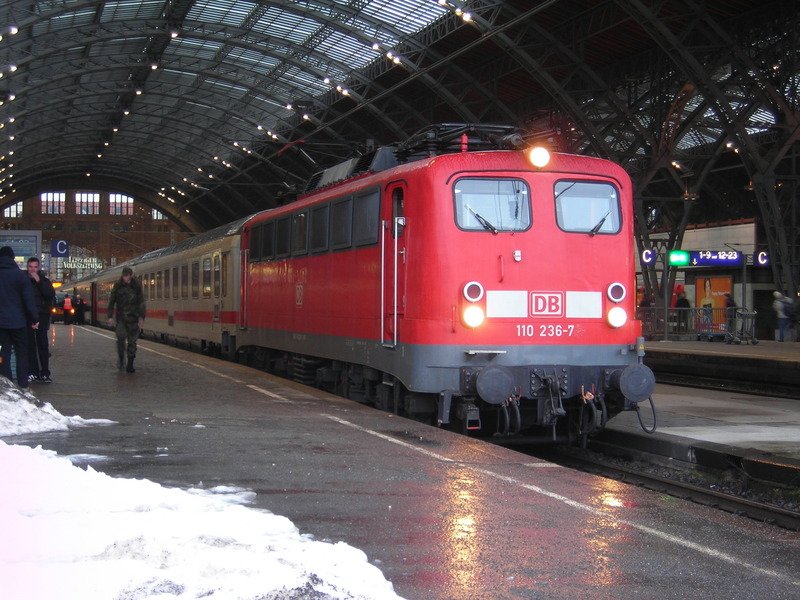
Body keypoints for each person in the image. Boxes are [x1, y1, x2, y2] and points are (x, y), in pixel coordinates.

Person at [0, 246, 39, 389]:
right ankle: (23, 385)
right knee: (22, 352)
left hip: (1, 325)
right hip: (19, 323)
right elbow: (28, 300)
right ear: (12, 258)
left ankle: (7, 384)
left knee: (3, 352)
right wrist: (34, 319)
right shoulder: (20, 275)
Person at [107, 267, 146, 373]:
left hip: (133, 318)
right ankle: (121, 358)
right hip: (121, 319)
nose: (125, 278)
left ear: (131, 275)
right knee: (120, 338)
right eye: (124, 276)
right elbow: (111, 301)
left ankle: (130, 364)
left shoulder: (136, 286)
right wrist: (110, 316)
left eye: (127, 276)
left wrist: (142, 317)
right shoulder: (117, 286)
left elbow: (141, 302)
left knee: (132, 342)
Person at [26, 257, 56, 383]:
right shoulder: (23, 280)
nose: (33, 269)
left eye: (35, 267)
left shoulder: (44, 281)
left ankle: (44, 372)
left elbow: (50, 294)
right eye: (30, 267)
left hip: (42, 316)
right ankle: (32, 372)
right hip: (27, 316)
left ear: (39, 268)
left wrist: (40, 282)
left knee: (42, 345)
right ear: (27, 267)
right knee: (30, 346)